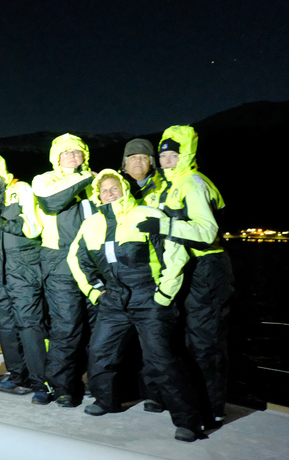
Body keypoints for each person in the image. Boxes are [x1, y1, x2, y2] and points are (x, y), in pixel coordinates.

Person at [67, 169, 203, 442]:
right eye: (103, 190)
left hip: (148, 298)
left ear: (123, 189)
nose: (109, 193)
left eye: (113, 187)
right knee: (99, 351)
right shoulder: (91, 223)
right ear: (97, 195)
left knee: (162, 358)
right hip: (113, 300)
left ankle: (188, 420)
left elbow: (175, 253)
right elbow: (76, 260)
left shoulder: (146, 214)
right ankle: (106, 401)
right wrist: (97, 293)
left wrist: (164, 293)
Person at [138, 125, 235, 428]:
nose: (166, 159)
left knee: (205, 342)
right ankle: (189, 398)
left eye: (172, 154)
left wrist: (164, 227)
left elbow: (207, 231)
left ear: (185, 155)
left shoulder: (192, 182)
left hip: (205, 269)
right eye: (163, 154)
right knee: (184, 337)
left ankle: (213, 409)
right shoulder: (170, 185)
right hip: (185, 268)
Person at [31, 133, 96, 407]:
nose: (71, 156)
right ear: (55, 158)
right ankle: (62, 386)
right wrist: (87, 177)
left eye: (76, 151)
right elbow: (51, 201)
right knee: (66, 325)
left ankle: (96, 382)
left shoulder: (95, 182)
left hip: (94, 262)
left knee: (97, 325)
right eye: (65, 152)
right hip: (60, 261)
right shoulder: (45, 180)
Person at [0, 152, 48, 403]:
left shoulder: (21, 189)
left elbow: (33, 227)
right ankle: (17, 374)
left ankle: (41, 382)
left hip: (22, 262)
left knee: (29, 324)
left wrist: (3, 221)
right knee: (5, 325)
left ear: (1, 171)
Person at [120, 138, 161, 204]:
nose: (138, 160)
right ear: (125, 163)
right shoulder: (112, 185)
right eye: (133, 157)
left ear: (151, 163)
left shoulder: (163, 185)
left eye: (144, 157)